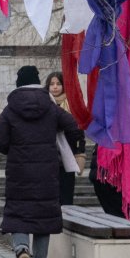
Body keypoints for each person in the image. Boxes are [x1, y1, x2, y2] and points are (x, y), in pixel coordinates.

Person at [0, 65, 83, 258]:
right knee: (43, 218)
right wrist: (66, 147)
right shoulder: (51, 107)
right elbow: (74, 126)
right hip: (47, 172)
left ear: (19, 83)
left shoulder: (10, 109)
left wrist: (14, 150)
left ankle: (22, 250)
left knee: (18, 216)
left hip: (18, 172)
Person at [44, 71, 86, 204]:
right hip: (48, 156)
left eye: (58, 84)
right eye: (52, 84)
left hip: (67, 155)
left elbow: (79, 131)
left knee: (66, 196)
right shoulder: (43, 104)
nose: (55, 87)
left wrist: (80, 153)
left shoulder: (71, 105)